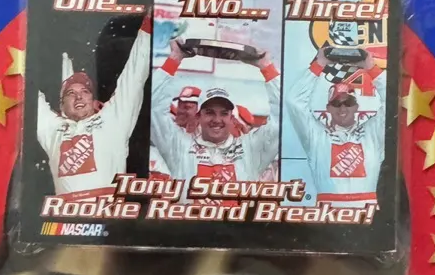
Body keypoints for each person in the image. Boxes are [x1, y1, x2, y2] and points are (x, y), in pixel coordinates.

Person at [36, 16, 152, 200]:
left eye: (85, 91)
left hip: (108, 213)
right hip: (65, 216)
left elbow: (134, 75)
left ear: (93, 100)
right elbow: (25, 88)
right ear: (61, 105)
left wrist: (148, 26)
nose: (79, 96)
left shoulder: (113, 121)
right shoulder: (51, 130)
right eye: (71, 93)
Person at [150, 37, 280, 187]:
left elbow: (284, 117)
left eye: (224, 113)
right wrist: (174, 59)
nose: (217, 119)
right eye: (210, 112)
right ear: (198, 116)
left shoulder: (251, 149)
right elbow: (154, 107)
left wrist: (265, 66)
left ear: (232, 118)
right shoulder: (179, 146)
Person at [286, 45, 386, 207]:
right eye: (337, 103)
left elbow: (393, 102)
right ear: (328, 108)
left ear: (356, 107)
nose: (343, 108)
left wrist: (370, 67)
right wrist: (319, 64)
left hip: (368, 215)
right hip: (328, 217)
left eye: (348, 103)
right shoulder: (316, 136)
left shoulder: (372, 134)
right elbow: (294, 101)